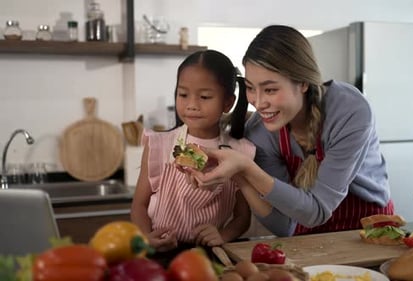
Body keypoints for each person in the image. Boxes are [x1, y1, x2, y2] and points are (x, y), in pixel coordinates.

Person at [189, 25, 394, 237]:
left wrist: (248, 168)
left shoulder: (349, 111)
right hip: (309, 240)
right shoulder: (260, 131)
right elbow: (286, 226)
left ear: (303, 83)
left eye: (270, 90)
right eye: (250, 88)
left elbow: (316, 211)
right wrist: (240, 173)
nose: (258, 103)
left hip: (369, 232)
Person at [130, 49, 255, 264]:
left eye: (205, 97)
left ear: (228, 103)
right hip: (161, 254)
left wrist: (223, 235)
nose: (192, 104)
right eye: (183, 94)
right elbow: (139, 206)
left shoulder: (240, 153)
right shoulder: (159, 145)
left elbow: (243, 217)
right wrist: (146, 237)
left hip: (210, 256)